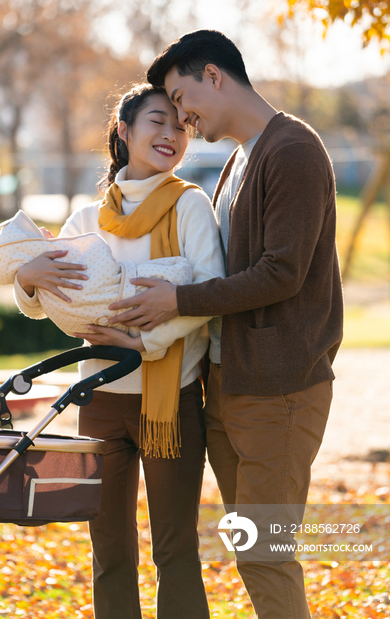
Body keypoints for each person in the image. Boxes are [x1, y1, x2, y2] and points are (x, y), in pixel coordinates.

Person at [107, 30, 344, 619]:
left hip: (281, 390)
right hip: (232, 389)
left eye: (181, 97)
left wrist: (176, 300)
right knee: (252, 552)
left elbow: (280, 273)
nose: (180, 117)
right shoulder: (241, 159)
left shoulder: (292, 149)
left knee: (266, 554)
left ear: (213, 75)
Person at [13, 82, 225, 619]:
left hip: (170, 402)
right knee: (108, 550)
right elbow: (51, 302)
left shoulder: (190, 205)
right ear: (124, 132)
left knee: (175, 550)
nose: (172, 134)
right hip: (99, 401)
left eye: (181, 125)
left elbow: (206, 296)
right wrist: (28, 279)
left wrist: (141, 344)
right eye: (158, 121)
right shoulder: (87, 220)